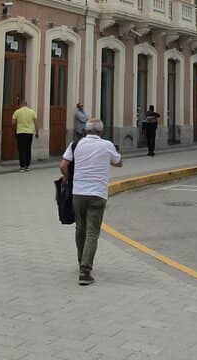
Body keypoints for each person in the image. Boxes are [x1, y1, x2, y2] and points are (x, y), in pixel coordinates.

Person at [59, 118, 123, 285]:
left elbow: (63, 165)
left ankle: (81, 260)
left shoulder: (76, 144)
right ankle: (85, 271)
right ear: (100, 132)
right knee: (92, 232)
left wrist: (67, 178)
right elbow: (119, 162)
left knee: (80, 228)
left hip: (78, 193)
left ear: (86, 131)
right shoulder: (107, 145)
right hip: (98, 194)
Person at [10, 98, 38, 171]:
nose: (19, 105)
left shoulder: (17, 112)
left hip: (20, 133)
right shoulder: (32, 112)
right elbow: (36, 123)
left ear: (21, 104)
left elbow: (13, 123)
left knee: (21, 149)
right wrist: (37, 132)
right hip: (29, 133)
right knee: (28, 149)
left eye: (19, 104)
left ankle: (22, 166)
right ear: (26, 104)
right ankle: (27, 166)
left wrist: (17, 123)